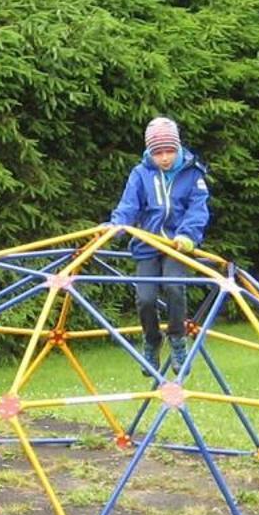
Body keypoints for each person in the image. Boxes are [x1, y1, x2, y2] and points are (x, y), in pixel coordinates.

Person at [110, 115, 211, 374]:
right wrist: (117, 225)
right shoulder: (141, 174)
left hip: (176, 245)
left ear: (177, 148)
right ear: (149, 152)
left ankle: (177, 339)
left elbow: (198, 210)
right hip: (147, 245)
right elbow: (129, 205)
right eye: (158, 153)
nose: (164, 158)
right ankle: (151, 341)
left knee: (175, 288)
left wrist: (188, 236)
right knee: (145, 299)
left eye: (169, 151)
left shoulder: (193, 173)